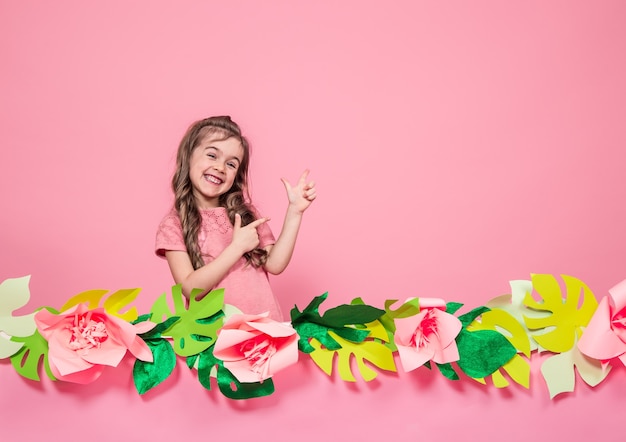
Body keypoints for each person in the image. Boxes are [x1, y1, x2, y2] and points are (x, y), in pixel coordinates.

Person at [155, 116, 316, 321]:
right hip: (215, 339)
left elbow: (274, 264)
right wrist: (236, 248)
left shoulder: (246, 215)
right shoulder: (173, 225)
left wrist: (295, 212)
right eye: (212, 155)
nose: (220, 167)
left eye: (231, 164)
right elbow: (190, 289)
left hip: (264, 332)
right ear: (188, 157)